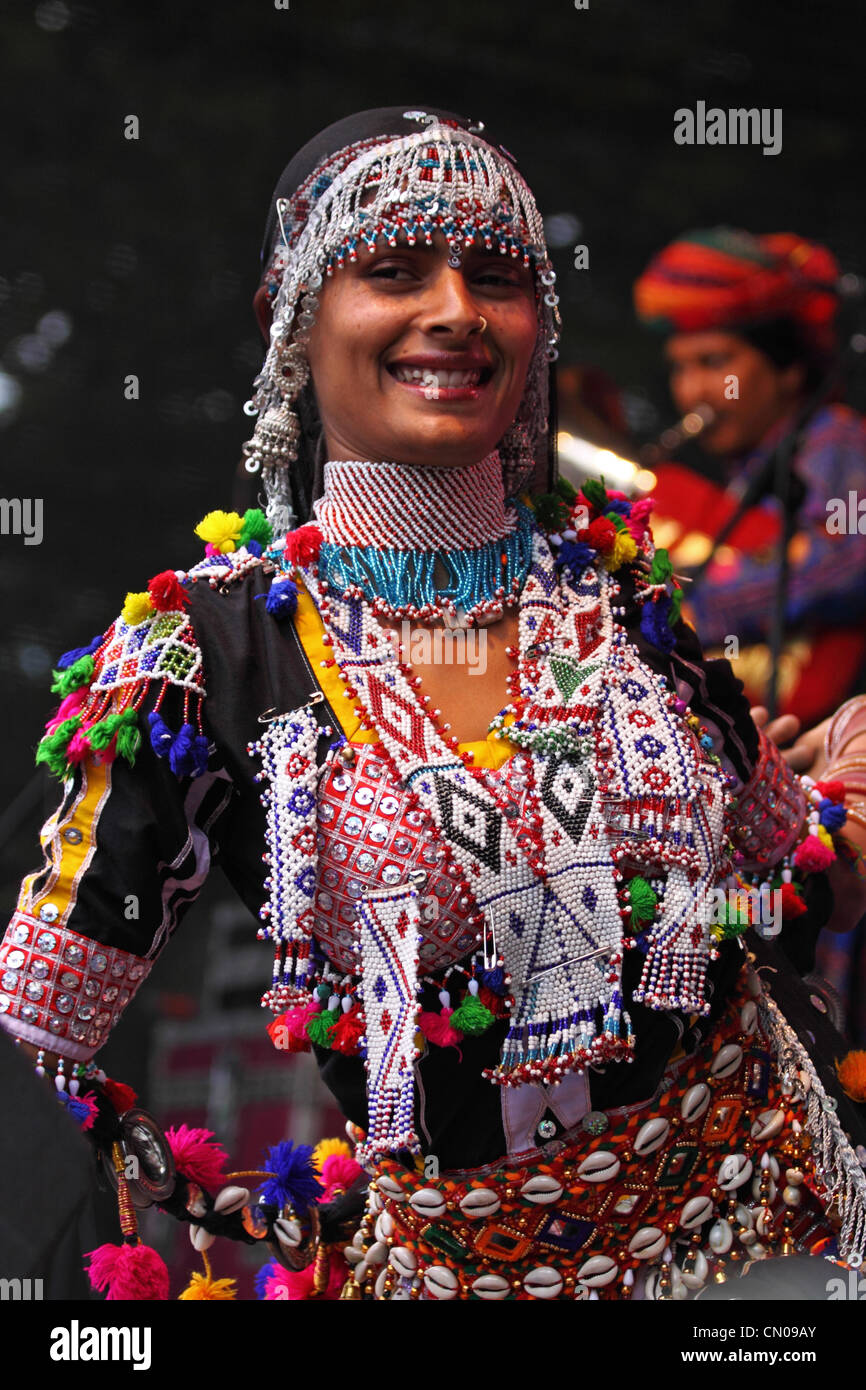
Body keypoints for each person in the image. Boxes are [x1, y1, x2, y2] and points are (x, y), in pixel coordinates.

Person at [2, 109, 866, 1303]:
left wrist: (842, 790)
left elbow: (789, 869)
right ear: (291, 323)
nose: (455, 309)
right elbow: (43, 1016)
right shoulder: (200, 653)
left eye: (498, 277)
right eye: (394, 271)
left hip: (785, 1234)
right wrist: (205, 1197)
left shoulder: (617, 587)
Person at [633, 227, 866, 729]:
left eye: (715, 363)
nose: (693, 390)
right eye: (680, 367)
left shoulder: (835, 439)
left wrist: (687, 610)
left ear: (789, 370)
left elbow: (852, 559)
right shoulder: (745, 472)